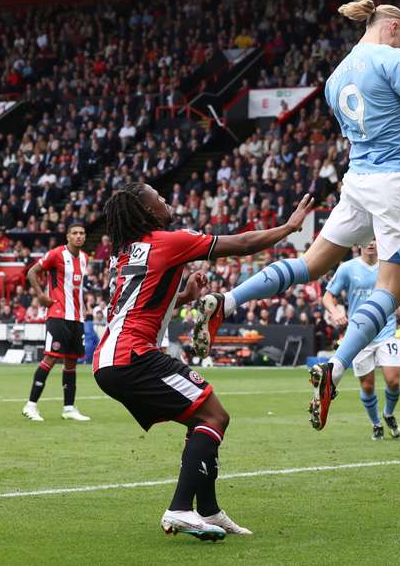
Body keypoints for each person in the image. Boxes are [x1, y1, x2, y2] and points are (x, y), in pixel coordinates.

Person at [191, 0, 400, 431]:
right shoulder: (393, 57)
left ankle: (228, 300)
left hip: (359, 181)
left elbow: (373, 131)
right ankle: (337, 367)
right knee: (391, 289)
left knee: (311, 263)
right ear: (393, 29)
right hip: (397, 184)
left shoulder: (334, 78)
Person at [93, 182, 312, 540]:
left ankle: (208, 510)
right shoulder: (169, 240)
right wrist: (288, 228)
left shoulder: (130, 251)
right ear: (148, 212)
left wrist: (185, 297)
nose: (165, 199)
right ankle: (180, 508)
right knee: (215, 415)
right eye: (159, 198)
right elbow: (240, 244)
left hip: (112, 358)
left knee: (203, 420)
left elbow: (138, 304)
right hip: (132, 356)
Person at [322, 241, 400, 440]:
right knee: (368, 386)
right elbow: (327, 297)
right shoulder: (347, 268)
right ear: (358, 243)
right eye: (366, 239)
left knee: (393, 381)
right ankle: (376, 424)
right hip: (360, 335)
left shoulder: (387, 267)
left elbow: (399, 294)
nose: (370, 243)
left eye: (374, 239)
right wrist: (335, 311)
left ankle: (388, 414)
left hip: (386, 331)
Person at [21, 222, 92, 422]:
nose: (79, 236)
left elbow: (77, 288)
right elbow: (32, 272)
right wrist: (41, 295)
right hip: (57, 314)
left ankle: (69, 408)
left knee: (71, 362)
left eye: (82, 233)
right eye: (75, 233)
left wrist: (84, 306)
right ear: (67, 236)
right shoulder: (56, 254)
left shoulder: (85, 258)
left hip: (76, 318)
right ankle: (31, 405)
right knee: (51, 358)